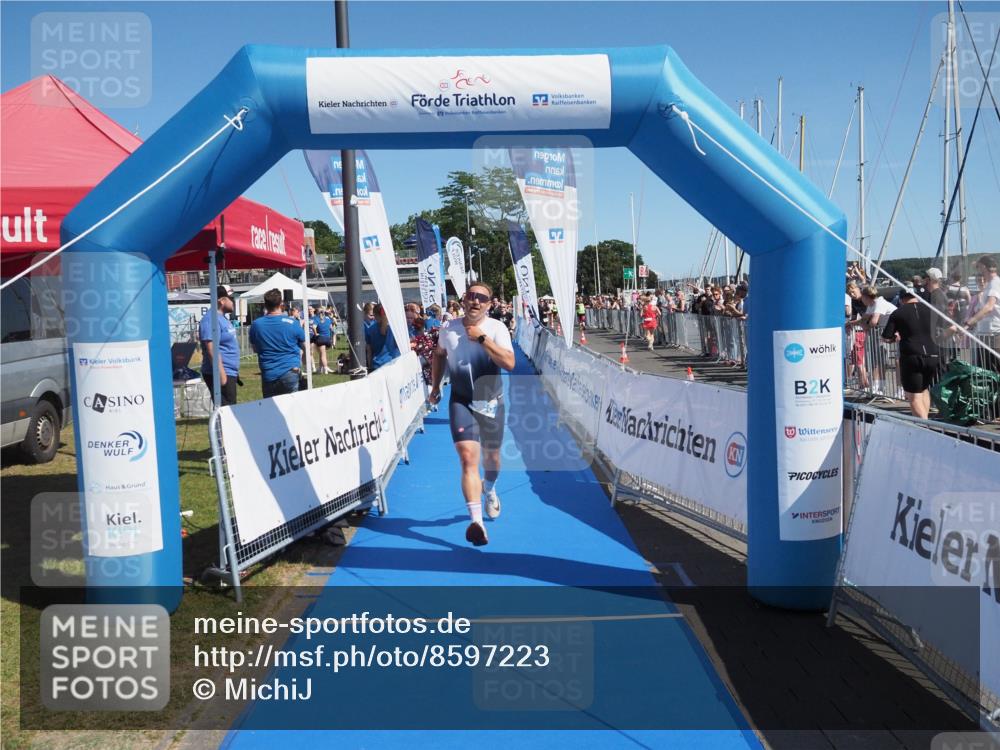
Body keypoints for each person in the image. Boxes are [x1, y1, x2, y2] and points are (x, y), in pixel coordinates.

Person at [429, 283, 516, 546]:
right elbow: (439, 355)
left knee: (492, 459)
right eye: (471, 297)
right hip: (461, 401)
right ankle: (476, 522)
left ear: (490, 304)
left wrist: (481, 338)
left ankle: (489, 489)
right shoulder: (448, 329)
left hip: (490, 401)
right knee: (468, 458)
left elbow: (510, 363)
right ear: (463, 301)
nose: (475, 302)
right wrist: (435, 386)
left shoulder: (496, 328)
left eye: (482, 298)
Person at [882, 286, 939, 419]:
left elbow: (886, 336)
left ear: (902, 299)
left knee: (913, 395)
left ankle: (924, 427)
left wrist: (894, 338)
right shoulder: (931, 310)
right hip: (932, 354)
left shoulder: (898, 313)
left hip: (911, 355)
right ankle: (927, 422)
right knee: (924, 389)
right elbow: (950, 327)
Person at [249, 288, 306, 398]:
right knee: (293, 409)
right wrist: (303, 364)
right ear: (281, 304)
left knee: (271, 410)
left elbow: (255, 348)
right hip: (290, 370)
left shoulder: (256, 324)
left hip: (269, 372)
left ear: (265, 305)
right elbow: (305, 346)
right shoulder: (293, 323)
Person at [199, 284, 240, 406]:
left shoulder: (222, 318)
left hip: (229, 372)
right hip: (220, 373)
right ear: (222, 300)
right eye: (231, 299)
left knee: (230, 409)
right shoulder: (210, 319)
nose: (234, 302)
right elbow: (212, 349)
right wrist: (221, 375)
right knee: (226, 411)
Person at [365, 303, 401, 371]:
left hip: (377, 364)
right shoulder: (395, 328)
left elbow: (369, 350)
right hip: (393, 363)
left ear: (375, 315)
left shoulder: (370, 329)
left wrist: (370, 365)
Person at [311, 307, 335, 374]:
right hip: (328, 339)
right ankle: (320, 369)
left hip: (321, 339)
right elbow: (331, 328)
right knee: (322, 354)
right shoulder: (327, 318)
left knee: (322, 355)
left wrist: (316, 334)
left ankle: (325, 369)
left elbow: (313, 327)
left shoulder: (316, 319)